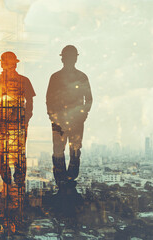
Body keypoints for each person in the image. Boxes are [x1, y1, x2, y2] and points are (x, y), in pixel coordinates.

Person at [0, 51, 35, 187]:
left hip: (4, 124)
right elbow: (30, 103)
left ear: (4, 63)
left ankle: (8, 181)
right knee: (18, 152)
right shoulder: (23, 80)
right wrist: (25, 120)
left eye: (2, 61)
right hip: (16, 124)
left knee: (3, 152)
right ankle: (17, 181)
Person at [46, 45, 92, 190]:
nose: (71, 59)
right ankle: (62, 180)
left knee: (74, 149)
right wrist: (54, 117)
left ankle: (68, 179)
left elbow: (89, 99)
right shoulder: (56, 77)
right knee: (61, 150)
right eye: (70, 57)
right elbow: (49, 99)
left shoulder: (81, 77)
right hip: (61, 121)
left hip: (73, 120)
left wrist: (82, 115)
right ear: (64, 59)